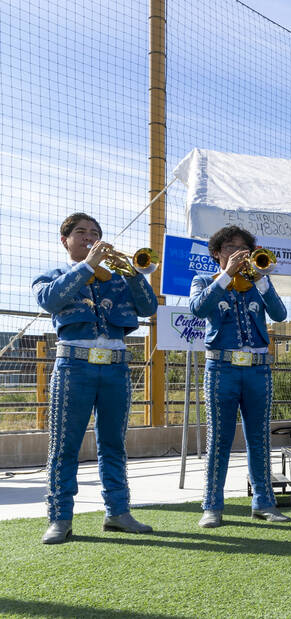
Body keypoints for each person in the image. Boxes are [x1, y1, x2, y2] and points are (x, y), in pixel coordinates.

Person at [33, 213, 158, 544]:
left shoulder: (118, 279)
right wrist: (87, 265)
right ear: (66, 241)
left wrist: (132, 272)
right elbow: (49, 300)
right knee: (65, 445)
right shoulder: (54, 276)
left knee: (114, 443)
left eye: (95, 233)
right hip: (74, 367)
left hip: (116, 367)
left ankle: (118, 512)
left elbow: (148, 307)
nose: (89, 237)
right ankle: (60, 518)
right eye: (81, 233)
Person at [190, 225, 289, 528]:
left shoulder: (257, 281)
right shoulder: (204, 280)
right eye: (230, 247)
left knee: (258, 437)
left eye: (243, 248)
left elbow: (280, 314)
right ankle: (212, 506)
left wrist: (263, 280)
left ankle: (263, 503)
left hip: (258, 368)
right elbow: (197, 308)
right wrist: (225, 276)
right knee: (219, 438)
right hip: (222, 368)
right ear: (217, 253)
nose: (238, 253)